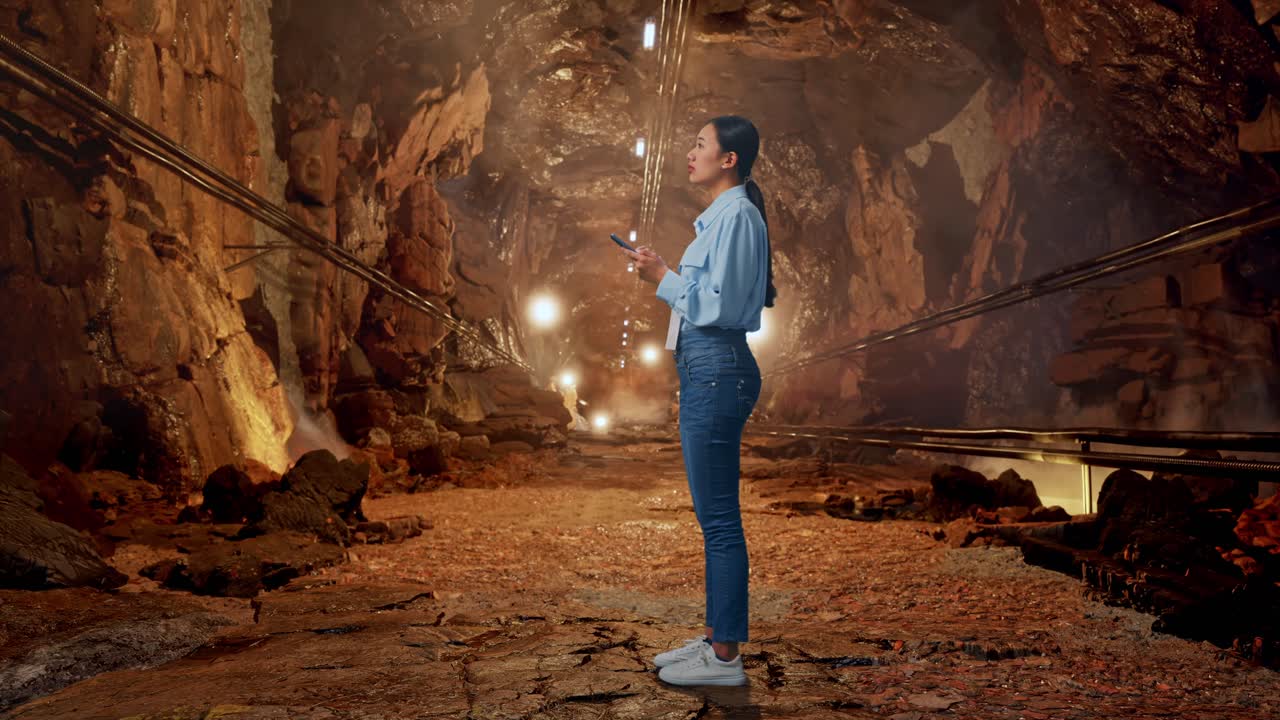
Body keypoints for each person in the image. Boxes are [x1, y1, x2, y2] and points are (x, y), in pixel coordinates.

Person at [622, 115, 776, 687]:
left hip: (718, 367)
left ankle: (726, 660)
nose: (691, 153)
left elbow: (723, 304)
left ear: (729, 159)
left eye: (700, 145)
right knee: (714, 520)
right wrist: (661, 275)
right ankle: (718, 639)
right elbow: (708, 296)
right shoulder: (722, 219)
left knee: (720, 522)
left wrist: (662, 274)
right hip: (706, 367)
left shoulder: (737, 215)